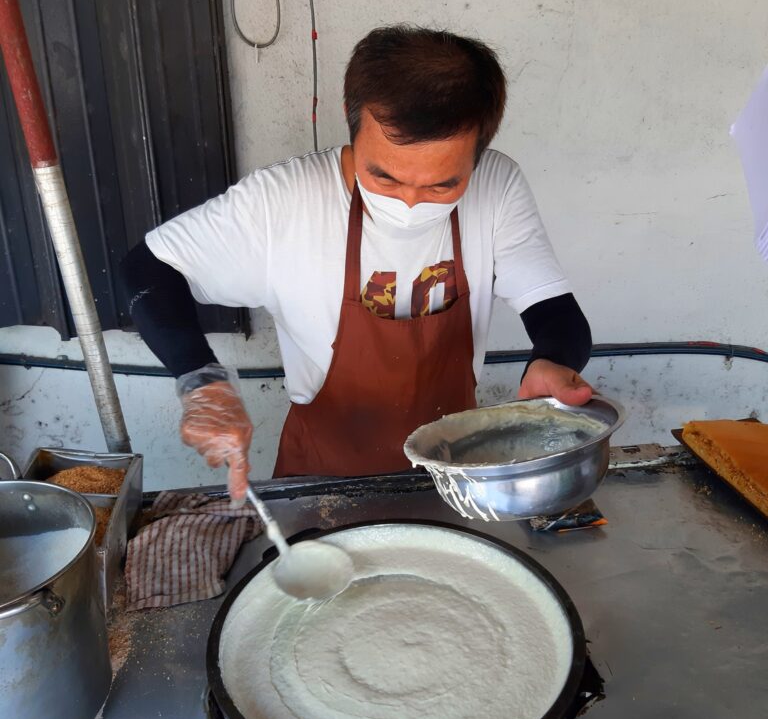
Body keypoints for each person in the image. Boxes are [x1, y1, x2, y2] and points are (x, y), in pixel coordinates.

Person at [120, 25, 593, 502]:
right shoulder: (284, 200)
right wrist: (201, 382)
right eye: (384, 176)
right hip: (322, 481)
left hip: (452, 475)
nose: (410, 203)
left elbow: (552, 307)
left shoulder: (497, 186)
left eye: (441, 186)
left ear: (477, 156)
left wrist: (554, 360)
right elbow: (147, 268)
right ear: (353, 132)